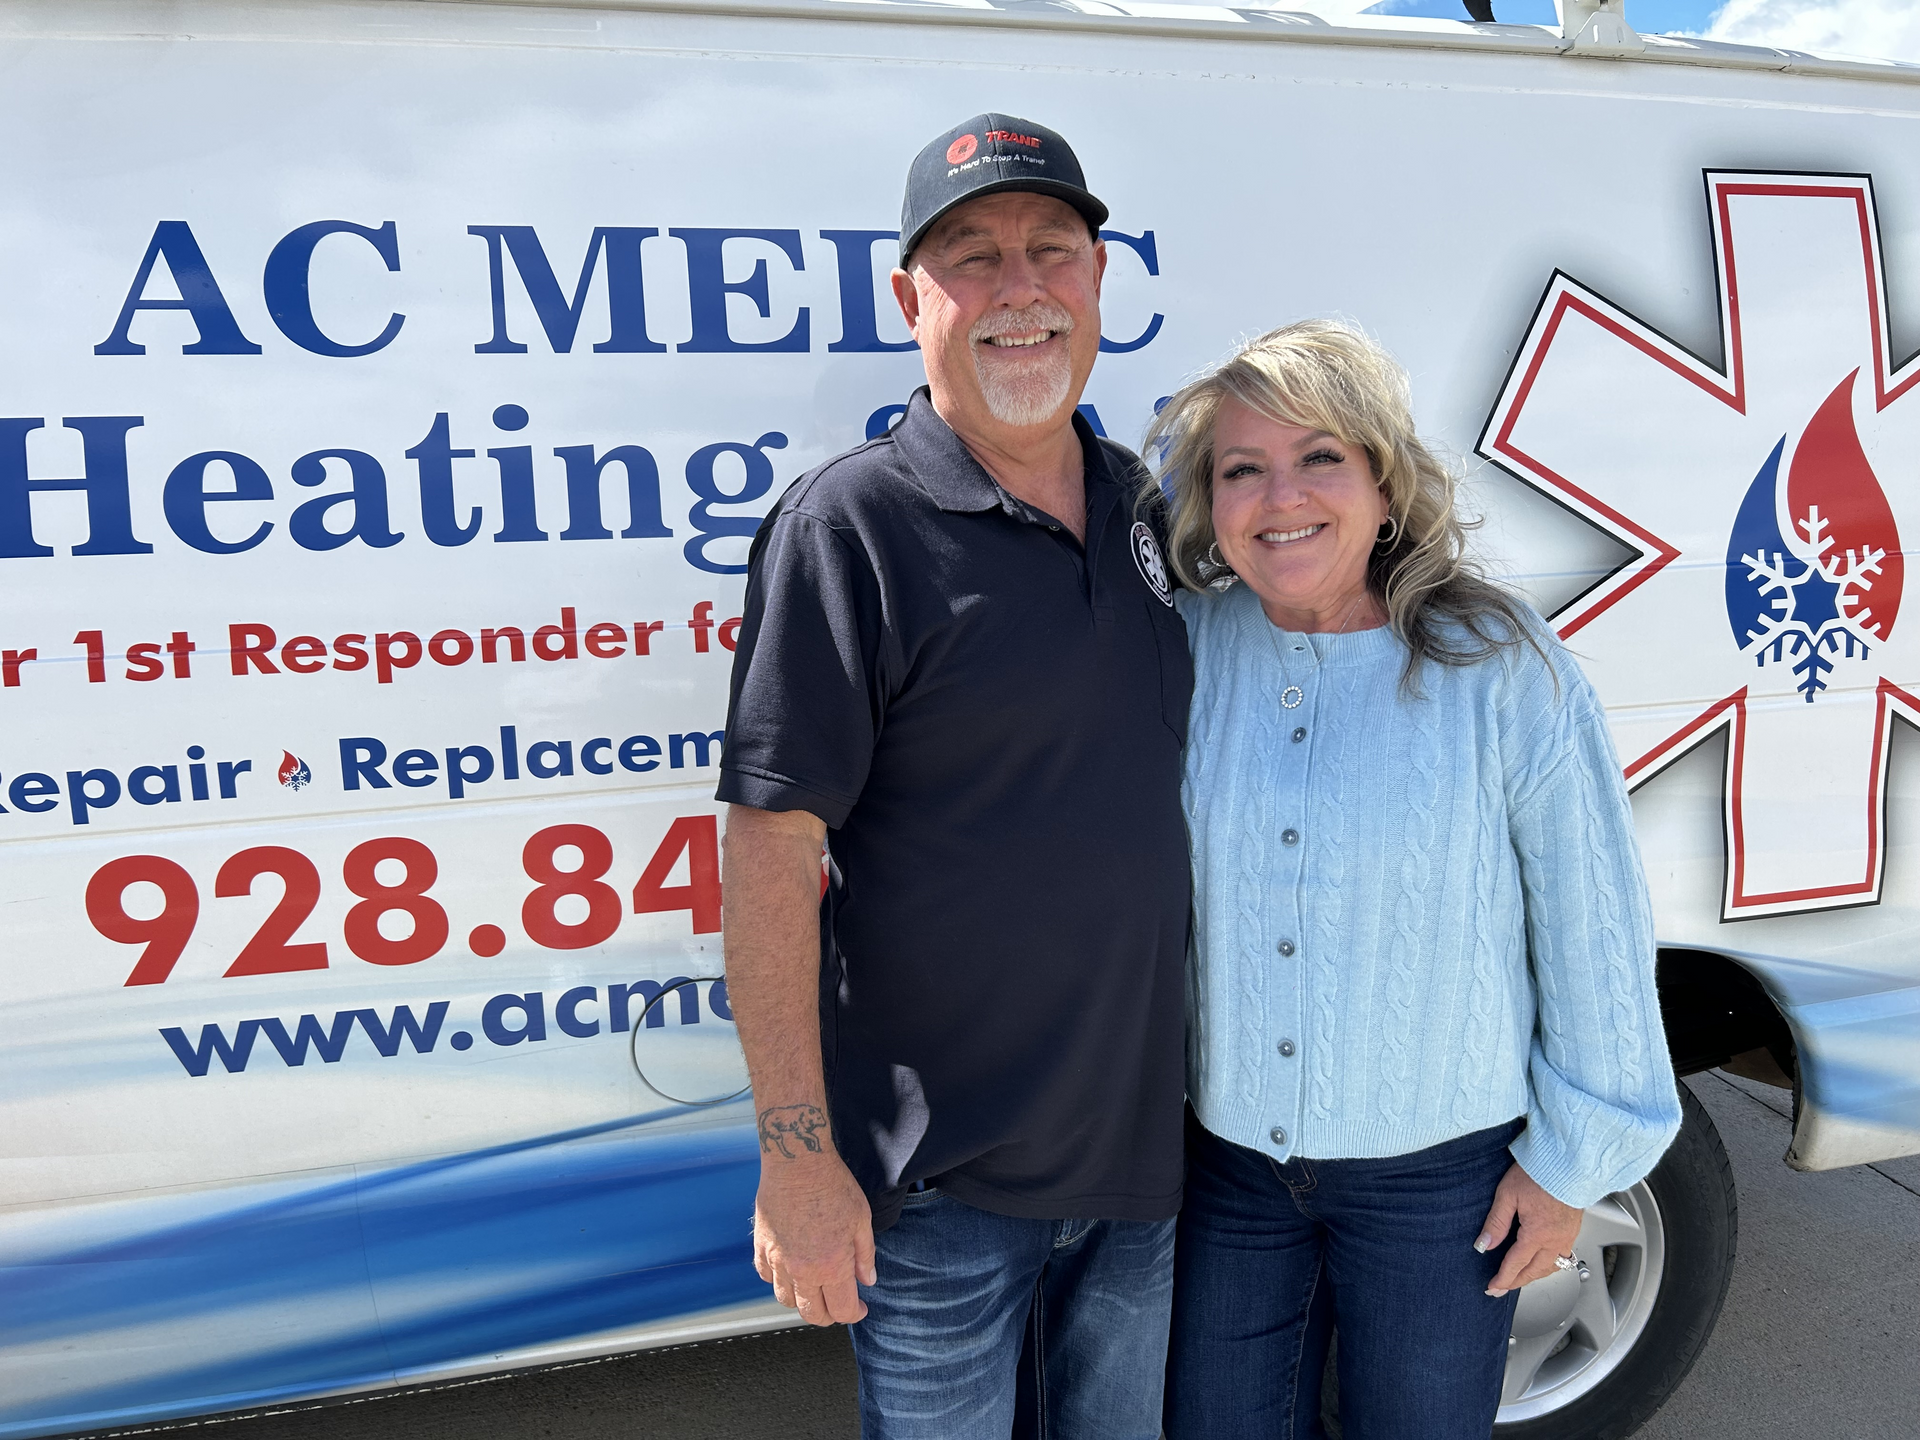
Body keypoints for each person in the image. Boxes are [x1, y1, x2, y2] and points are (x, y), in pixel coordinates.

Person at [716, 114, 1193, 1440]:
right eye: (972, 258)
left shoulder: (1148, 508)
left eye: (1051, 251)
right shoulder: (850, 526)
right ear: (909, 298)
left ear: (1100, 279)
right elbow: (765, 852)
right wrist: (798, 1164)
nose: (1019, 288)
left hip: (1147, 1169)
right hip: (941, 1191)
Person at [1151, 320, 1682, 1439]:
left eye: (1321, 458)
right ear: (1213, 507)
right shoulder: (1190, 649)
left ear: (1385, 485)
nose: (1279, 495)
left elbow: (1590, 923)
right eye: (1242, 469)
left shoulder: (1497, 663)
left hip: (1441, 1188)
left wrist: (1574, 1162)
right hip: (1234, 1173)